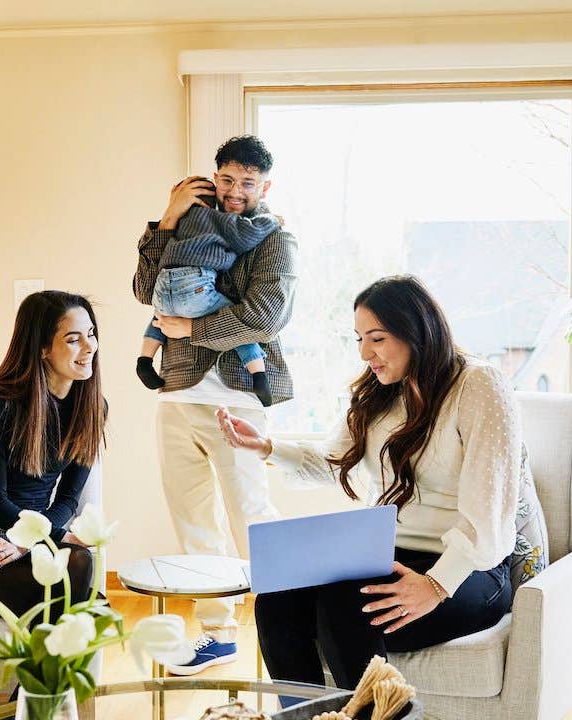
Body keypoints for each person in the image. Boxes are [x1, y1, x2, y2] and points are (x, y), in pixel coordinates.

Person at [216, 275, 519, 692]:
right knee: (278, 600)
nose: (365, 353)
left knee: (345, 607)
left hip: (472, 568)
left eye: (376, 338)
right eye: (359, 338)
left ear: (417, 331)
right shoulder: (379, 391)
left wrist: (435, 584)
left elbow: (489, 513)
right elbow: (335, 462)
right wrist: (267, 447)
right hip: (390, 555)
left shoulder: (478, 384)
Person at [132, 134, 296, 674]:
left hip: (240, 400)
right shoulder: (188, 221)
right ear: (215, 176)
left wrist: (193, 328)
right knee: (193, 520)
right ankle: (219, 634)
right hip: (177, 394)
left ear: (263, 187)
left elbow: (265, 316)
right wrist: (166, 218)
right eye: (227, 180)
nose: (235, 192)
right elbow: (143, 290)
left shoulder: (276, 239)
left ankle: (289, 632)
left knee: (253, 517)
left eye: (247, 184)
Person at [0, 290, 106, 617]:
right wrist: (51, 537)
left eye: (91, 334)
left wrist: (30, 541)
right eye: (73, 339)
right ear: (43, 348)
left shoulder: (91, 409)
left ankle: (38, 667)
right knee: (85, 602)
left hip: (30, 535)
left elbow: (68, 500)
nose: (89, 347)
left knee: (83, 575)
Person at [136, 197, 281, 406]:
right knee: (235, 322)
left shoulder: (176, 225)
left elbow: (145, 292)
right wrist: (273, 220)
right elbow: (250, 232)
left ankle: (144, 360)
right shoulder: (217, 219)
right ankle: (259, 376)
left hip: (163, 286)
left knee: (160, 317)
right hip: (194, 286)